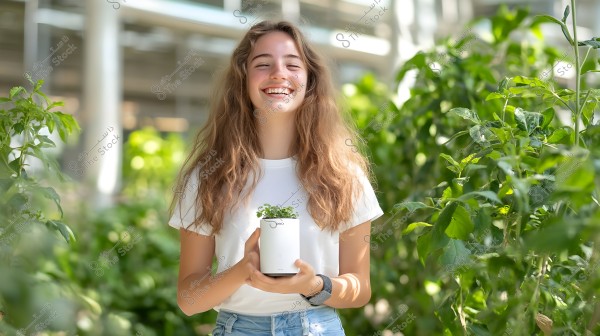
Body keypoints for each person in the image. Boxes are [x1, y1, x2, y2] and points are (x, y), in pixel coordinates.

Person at [168, 20, 384, 336]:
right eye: (263, 64)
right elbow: (188, 300)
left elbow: (360, 288)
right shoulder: (208, 176)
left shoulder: (343, 174)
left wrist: (313, 285)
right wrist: (244, 270)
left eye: (292, 64)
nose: (278, 73)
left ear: (310, 81)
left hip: (317, 328)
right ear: (242, 80)